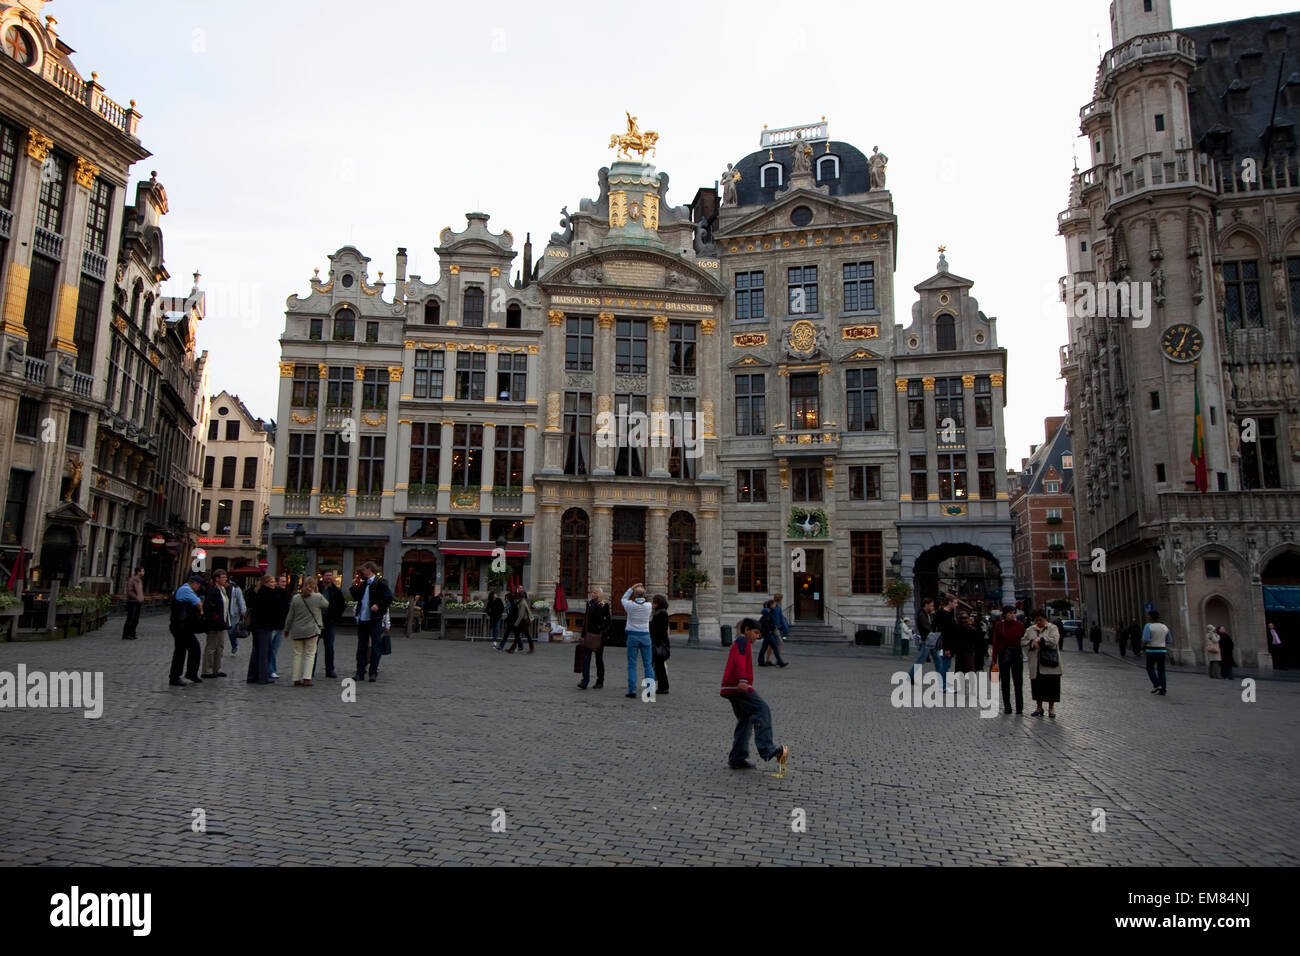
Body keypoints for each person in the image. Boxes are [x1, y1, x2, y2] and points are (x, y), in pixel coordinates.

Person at [720, 617, 789, 772]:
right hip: (738, 686)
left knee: (745, 720)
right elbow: (739, 660)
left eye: (759, 633)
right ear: (746, 630)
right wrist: (743, 679)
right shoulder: (743, 641)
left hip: (732, 687)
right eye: (756, 632)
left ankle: (738, 758)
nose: (758, 636)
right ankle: (768, 749)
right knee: (762, 710)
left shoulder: (742, 641)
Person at [350, 562, 393, 681]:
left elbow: (388, 597)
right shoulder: (364, 584)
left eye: (363, 570)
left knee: (375, 646)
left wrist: (378, 605)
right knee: (361, 647)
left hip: (375, 619)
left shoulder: (380, 583)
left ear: (369, 570)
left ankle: (373, 672)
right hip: (363, 618)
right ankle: (360, 672)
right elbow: (357, 597)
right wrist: (353, 587)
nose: (362, 573)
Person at [285, 576, 329, 687]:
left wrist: (286, 629)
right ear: (315, 585)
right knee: (310, 654)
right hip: (312, 630)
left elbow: (290, 616)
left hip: (297, 630)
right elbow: (326, 604)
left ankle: (296, 678)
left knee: (297, 654)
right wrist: (318, 592)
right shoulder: (317, 597)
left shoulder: (296, 598)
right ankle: (307, 678)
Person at [168, 574, 206, 686]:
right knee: (184, 650)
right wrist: (202, 612)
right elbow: (198, 603)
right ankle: (176, 676)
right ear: (193, 583)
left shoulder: (185, 589)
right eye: (198, 585)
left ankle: (188, 673)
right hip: (181, 626)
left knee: (188, 649)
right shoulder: (186, 590)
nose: (199, 587)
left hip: (182, 625)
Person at [1024, 610, 1062, 718]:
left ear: (1045, 619)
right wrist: (1031, 643)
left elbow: (1054, 640)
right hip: (1036, 663)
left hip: (1050, 663)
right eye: (1036, 620)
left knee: (1052, 687)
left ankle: (1051, 708)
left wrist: (1040, 640)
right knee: (1037, 686)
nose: (1038, 622)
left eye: (1040, 619)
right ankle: (1039, 707)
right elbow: (1023, 641)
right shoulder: (1030, 629)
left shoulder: (1052, 628)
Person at [991, 605, 1026, 714]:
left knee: (1018, 682)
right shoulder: (999, 626)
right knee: (1005, 682)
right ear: (1005, 614)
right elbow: (995, 643)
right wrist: (994, 659)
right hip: (1004, 655)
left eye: (1013, 613)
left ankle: (1019, 707)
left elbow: (1023, 640)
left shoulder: (1020, 625)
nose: (1012, 615)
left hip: (1016, 655)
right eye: (1010, 613)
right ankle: (1007, 706)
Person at [622, 583, 654, 698]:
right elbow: (649, 599)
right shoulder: (648, 606)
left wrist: (631, 588)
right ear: (644, 595)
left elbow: (623, 598)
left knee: (632, 664)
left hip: (632, 636)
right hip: (645, 635)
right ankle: (650, 690)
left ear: (634, 595)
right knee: (648, 664)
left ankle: (632, 690)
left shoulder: (630, 605)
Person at [246, 574, 279, 685]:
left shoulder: (258, 593)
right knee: (264, 652)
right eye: (272, 582)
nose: (274, 584)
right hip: (264, 626)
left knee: (256, 651)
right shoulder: (269, 594)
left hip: (257, 626)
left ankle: (252, 676)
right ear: (266, 583)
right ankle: (263, 677)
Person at [200, 568, 232, 679]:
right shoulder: (213, 590)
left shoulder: (223, 589)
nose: (225, 579)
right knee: (211, 647)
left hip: (222, 623)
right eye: (223, 577)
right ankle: (207, 670)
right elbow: (209, 606)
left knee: (220, 646)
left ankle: (216, 669)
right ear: (217, 579)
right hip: (214, 623)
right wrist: (215, 617)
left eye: (226, 577)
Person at [578, 587, 609, 689]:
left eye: (595, 593)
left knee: (599, 659)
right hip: (588, 634)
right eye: (592, 592)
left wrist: (603, 631)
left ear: (599, 594)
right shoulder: (589, 604)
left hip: (599, 636)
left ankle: (600, 681)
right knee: (586, 659)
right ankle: (585, 680)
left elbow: (608, 621)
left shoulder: (604, 605)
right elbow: (586, 620)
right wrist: (582, 635)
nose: (592, 594)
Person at [315, 570, 345, 679]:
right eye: (326, 575)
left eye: (330, 575)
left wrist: (335, 618)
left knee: (329, 647)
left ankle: (330, 670)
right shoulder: (316, 588)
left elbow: (341, 605)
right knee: (313, 647)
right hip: (317, 622)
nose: (328, 577)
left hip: (329, 622)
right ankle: (310, 670)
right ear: (322, 577)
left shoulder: (336, 591)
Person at [908, 597, 939, 683]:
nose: (933, 608)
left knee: (937, 659)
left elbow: (932, 625)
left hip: (929, 639)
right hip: (927, 640)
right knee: (921, 659)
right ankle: (910, 675)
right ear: (926, 605)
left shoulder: (927, 614)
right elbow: (927, 627)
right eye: (931, 606)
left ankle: (942, 679)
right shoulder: (922, 615)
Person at [1141, 609, 1171, 696]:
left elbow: (1145, 639)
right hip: (1162, 650)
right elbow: (1169, 640)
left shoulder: (1148, 626)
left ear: (1150, 617)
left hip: (1151, 650)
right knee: (1161, 670)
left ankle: (1157, 684)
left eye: (1148, 616)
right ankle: (1163, 689)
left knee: (1150, 668)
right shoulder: (1165, 627)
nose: (1147, 617)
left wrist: (1143, 647)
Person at [932, 594, 958, 692]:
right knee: (945, 665)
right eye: (955, 603)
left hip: (941, 643)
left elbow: (934, 626)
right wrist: (947, 648)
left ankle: (942, 684)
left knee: (943, 664)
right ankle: (943, 686)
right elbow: (947, 632)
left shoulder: (941, 613)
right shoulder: (946, 615)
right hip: (945, 644)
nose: (956, 605)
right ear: (949, 602)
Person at [268, 574, 291, 680]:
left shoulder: (286, 594)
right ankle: (270, 670)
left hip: (281, 626)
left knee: (274, 649)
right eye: (282, 581)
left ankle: (271, 669)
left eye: (285, 581)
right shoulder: (273, 594)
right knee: (270, 649)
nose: (284, 583)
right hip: (273, 625)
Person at [650, 593, 671, 695]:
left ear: (658, 603)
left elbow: (660, 630)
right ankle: (662, 686)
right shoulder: (658, 612)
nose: (652, 604)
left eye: (654, 602)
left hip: (659, 643)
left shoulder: (662, 614)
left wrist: (656, 642)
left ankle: (663, 687)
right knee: (658, 666)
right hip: (658, 642)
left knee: (659, 666)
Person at [503, 587, 534, 654]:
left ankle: (531, 648)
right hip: (523, 621)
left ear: (519, 597)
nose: (516, 598)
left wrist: (516, 623)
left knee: (525, 635)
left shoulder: (522, 603)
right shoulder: (521, 601)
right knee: (518, 635)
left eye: (517, 597)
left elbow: (521, 615)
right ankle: (512, 649)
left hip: (524, 621)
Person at [227, 574, 247, 655]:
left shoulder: (236, 588)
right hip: (223, 613)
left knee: (231, 631)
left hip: (233, 613)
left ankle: (234, 645)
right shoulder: (220, 588)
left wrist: (243, 609)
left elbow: (240, 600)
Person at [122, 567, 144, 640]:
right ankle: (126, 634)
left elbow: (140, 591)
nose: (143, 572)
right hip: (132, 602)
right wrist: (136, 597)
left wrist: (141, 597)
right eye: (142, 571)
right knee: (131, 618)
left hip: (138, 602)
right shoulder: (132, 580)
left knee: (136, 619)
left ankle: (132, 633)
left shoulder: (140, 581)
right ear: (138, 572)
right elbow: (129, 591)